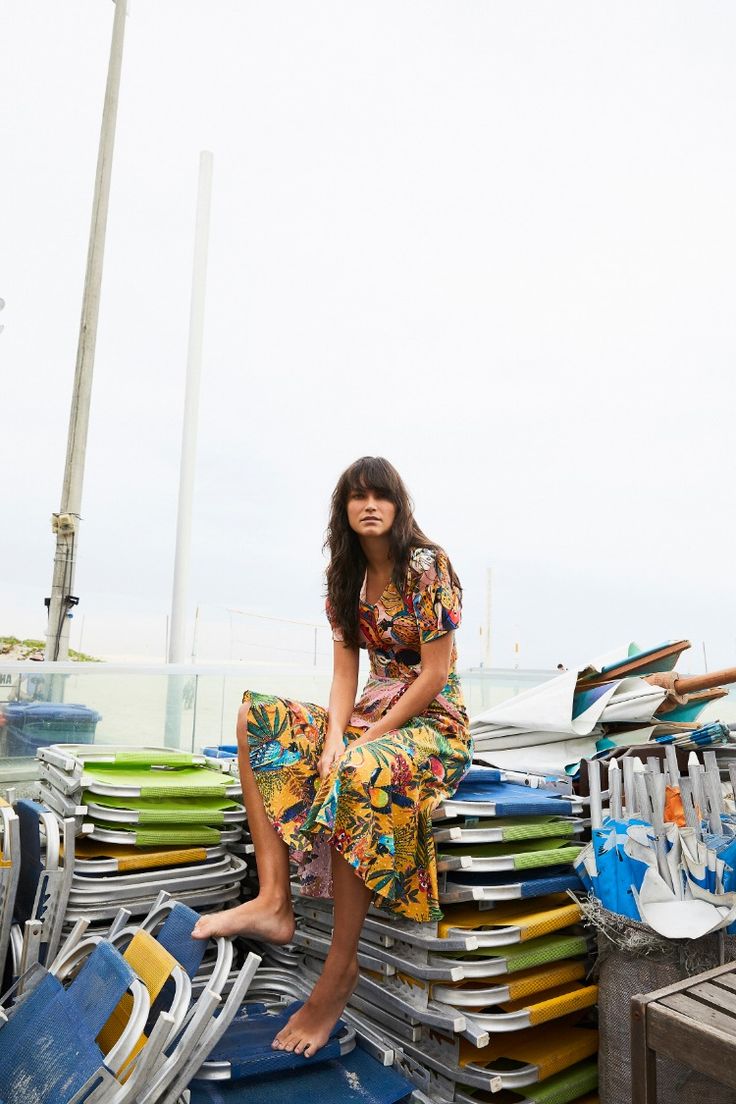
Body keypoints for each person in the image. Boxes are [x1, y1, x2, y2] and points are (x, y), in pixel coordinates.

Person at [192, 456, 472, 1057]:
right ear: (343, 508)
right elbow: (346, 673)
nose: (370, 505)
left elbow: (435, 672)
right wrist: (334, 736)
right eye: (357, 496)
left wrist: (363, 742)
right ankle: (273, 900)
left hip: (432, 726)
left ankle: (339, 974)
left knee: (355, 769)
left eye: (382, 496)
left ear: (399, 506)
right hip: (369, 715)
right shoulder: (343, 577)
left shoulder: (428, 564)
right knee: (254, 718)